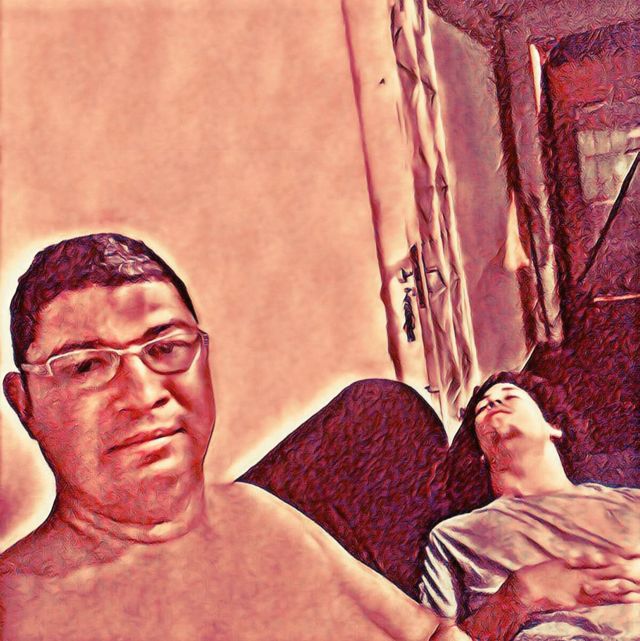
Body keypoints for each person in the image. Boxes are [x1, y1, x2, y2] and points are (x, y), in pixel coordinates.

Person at [0, 233, 443, 641]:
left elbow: (434, 635)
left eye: (165, 348)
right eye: (85, 366)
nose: (145, 395)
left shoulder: (255, 514)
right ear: (24, 404)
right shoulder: (16, 612)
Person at [419, 371, 640, 641]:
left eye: (510, 396)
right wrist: (520, 596)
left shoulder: (632, 502)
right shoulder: (452, 536)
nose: (492, 403)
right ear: (481, 452)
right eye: (481, 408)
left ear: (552, 427)